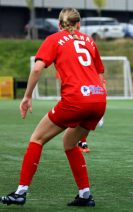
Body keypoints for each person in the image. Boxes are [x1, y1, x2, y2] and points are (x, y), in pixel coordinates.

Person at [0, 8, 106, 207]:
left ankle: (20, 192)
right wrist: (97, 99)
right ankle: (84, 195)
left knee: (37, 139)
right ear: (79, 25)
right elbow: (101, 74)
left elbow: (38, 68)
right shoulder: (89, 41)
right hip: (98, 99)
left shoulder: (54, 39)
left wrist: (27, 96)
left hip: (76, 100)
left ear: (59, 25)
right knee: (70, 143)